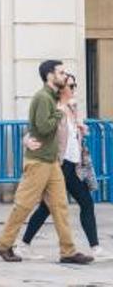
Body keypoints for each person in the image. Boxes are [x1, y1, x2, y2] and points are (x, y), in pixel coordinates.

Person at [0, 59, 93, 265]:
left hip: (52, 162)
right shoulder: (42, 98)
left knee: (60, 206)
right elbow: (43, 127)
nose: (64, 76)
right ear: (49, 75)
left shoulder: (53, 97)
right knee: (24, 204)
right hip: (38, 162)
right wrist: (61, 108)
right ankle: (3, 243)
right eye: (61, 72)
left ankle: (68, 251)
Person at [17, 72, 107, 260]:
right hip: (57, 164)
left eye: (75, 85)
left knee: (86, 203)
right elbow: (34, 130)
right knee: (47, 207)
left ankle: (96, 248)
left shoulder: (73, 109)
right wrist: (27, 141)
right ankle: (23, 245)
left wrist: (82, 130)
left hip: (73, 166)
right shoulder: (53, 107)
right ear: (62, 88)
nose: (74, 89)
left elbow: (73, 135)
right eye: (71, 86)